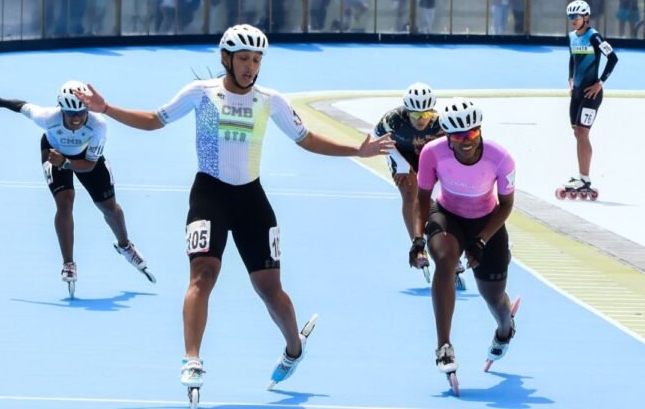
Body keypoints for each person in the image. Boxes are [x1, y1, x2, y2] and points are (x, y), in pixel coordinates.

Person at [72, 24, 394, 393]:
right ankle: (192, 358)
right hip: (209, 195)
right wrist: (106, 108)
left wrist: (357, 150)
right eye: (243, 58)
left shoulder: (270, 100)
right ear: (226, 59)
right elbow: (153, 120)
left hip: (251, 201)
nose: (250, 66)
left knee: (269, 288)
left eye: (256, 59)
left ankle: (294, 347)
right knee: (203, 274)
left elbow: (306, 139)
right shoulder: (201, 93)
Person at [0, 81, 156, 290]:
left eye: (81, 113)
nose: (76, 118)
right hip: (53, 153)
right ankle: (68, 263)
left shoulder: (99, 125)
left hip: (86, 158)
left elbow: (90, 165)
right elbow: (22, 106)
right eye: (70, 113)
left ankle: (125, 246)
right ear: (61, 110)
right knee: (64, 203)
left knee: (109, 208)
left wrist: (66, 162)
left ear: (88, 109)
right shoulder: (47, 117)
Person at [409, 98, 518, 378]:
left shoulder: (501, 158)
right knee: (445, 261)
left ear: (480, 131)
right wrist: (418, 239)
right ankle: (444, 346)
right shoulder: (432, 153)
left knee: (493, 298)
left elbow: (506, 205)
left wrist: (481, 240)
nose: (466, 141)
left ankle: (505, 329)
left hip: (487, 221)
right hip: (448, 215)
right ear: (447, 137)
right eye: (458, 137)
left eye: (471, 133)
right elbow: (422, 198)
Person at [373, 82, 466, 290]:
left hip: (428, 156)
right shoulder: (393, 119)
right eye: (415, 115)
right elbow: (377, 138)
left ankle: (449, 245)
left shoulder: (441, 122)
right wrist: (401, 165)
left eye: (425, 114)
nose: (421, 119)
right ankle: (418, 248)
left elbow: (452, 149)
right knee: (409, 193)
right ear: (407, 110)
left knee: (442, 198)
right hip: (401, 155)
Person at [563, 0, 617, 194]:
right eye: (570, 17)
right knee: (577, 133)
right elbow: (572, 59)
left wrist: (600, 83)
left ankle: (585, 179)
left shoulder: (594, 37)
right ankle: (581, 176)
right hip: (577, 92)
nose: (573, 20)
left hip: (591, 94)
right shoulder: (571, 36)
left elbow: (613, 58)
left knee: (583, 133)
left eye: (576, 17)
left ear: (586, 17)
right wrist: (570, 79)